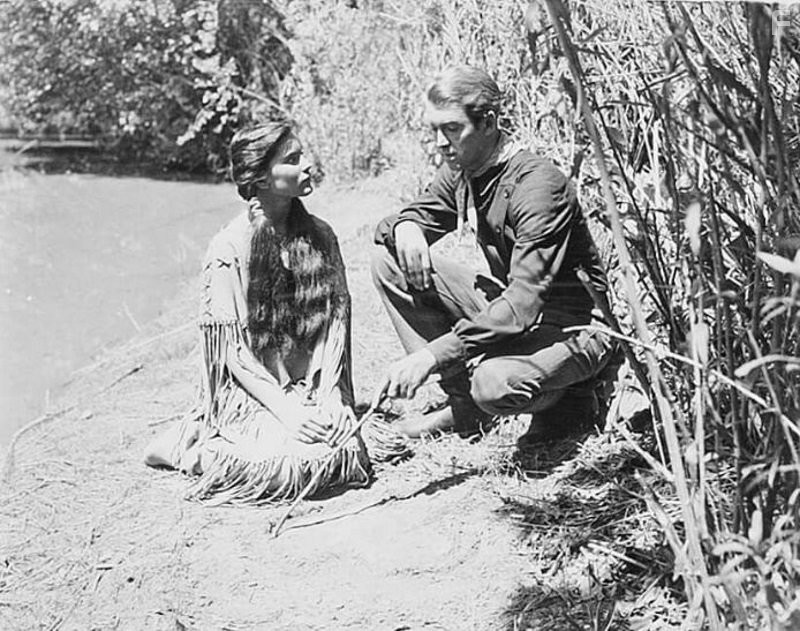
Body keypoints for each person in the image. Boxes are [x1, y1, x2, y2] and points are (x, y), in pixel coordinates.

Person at [372, 65, 619, 444]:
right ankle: (463, 405)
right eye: (435, 130)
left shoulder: (536, 185)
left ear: (488, 123)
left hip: (573, 328)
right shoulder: (465, 168)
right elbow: (413, 216)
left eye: (452, 129)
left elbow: (522, 304)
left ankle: (571, 399)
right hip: (521, 318)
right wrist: (407, 226)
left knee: (493, 384)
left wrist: (431, 356)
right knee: (390, 264)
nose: (440, 142)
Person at [145, 121, 388, 504]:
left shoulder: (321, 235)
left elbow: (334, 327)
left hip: (312, 387)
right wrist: (287, 411)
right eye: (292, 160)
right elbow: (232, 355)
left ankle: (243, 436)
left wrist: (332, 397)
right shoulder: (228, 248)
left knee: (344, 455)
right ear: (258, 178)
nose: (307, 164)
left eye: (303, 155)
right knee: (285, 469)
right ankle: (190, 448)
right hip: (253, 395)